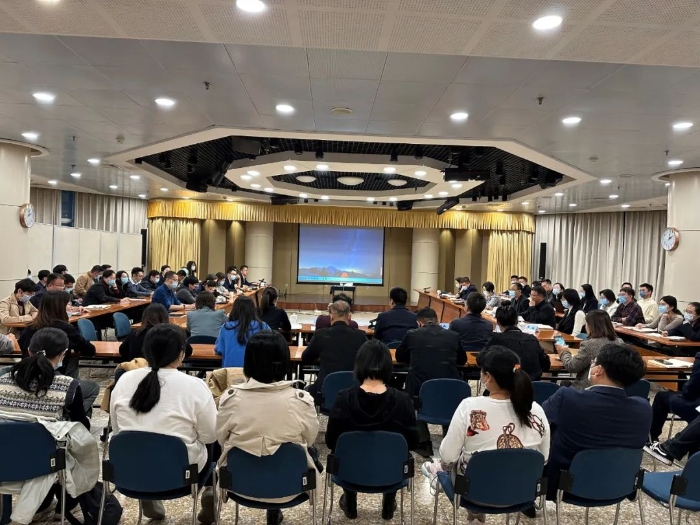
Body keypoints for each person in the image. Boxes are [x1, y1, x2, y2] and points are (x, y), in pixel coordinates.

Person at [422, 346, 550, 525]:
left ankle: (441, 479)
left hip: (474, 493)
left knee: (448, 463)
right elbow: (544, 458)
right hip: (522, 493)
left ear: (488, 377)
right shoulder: (536, 410)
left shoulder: (470, 407)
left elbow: (448, 456)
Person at [110, 324, 217, 522]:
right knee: (213, 443)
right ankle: (210, 487)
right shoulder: (195, 385)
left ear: (146, 351)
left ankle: (148, 496)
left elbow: (116, 429)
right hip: (180, 474)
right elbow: (210, 435)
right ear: (181, 353)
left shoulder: (124, 380)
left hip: (129, 468)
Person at [216, 331, 320, 525]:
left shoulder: (230, 399)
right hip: (291, 486)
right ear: (284, 363)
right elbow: (310, 438)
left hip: (239, 485)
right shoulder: (301, 400)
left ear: (248, 363)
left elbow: (221, 438)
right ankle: (274, 508)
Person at [542, 344, 651, 501]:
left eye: (593, 361)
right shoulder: (643, 408)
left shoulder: (568, 397)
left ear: (599, 370)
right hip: (619, 486)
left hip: (564, 486)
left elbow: (538, 422)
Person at [326, 340, 419, 521]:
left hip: (348, 472)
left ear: (359, 365)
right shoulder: (403, 401)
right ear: (388, 366)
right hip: (392, 473)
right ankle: (389, 502)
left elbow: (331, 441)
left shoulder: (343, 398)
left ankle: (350, 499)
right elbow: (413, 442)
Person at [396, 307, 465, 457]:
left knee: (411, 394)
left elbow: (399, 357)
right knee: (447, 392)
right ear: (438, 321)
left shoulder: (412, 335)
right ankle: (449, 438)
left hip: (420, 391)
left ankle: (423, 441)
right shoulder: (453, 336)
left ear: (419, 323)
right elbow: (462, 360)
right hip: (450, 390)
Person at [0, 328, 90, 429]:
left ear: (29, 351)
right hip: (49, 438)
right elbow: (81, 426)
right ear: (63, 354)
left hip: (5, 438)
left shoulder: (3, 380)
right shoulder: (68, 386)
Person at [18, 291, 96, 374]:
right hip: (54, 373)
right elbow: (89, 350)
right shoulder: (66, 329)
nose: (71, 308)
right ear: (60, 307)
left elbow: (22, 345)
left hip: (27, 372)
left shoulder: (29, 327)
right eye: (68, 304)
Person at [302, 300, 367, 396]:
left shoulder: (320, 335)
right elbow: (368, 360)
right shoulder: (360, 336)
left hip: (325, 390)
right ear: (349, 317)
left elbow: (305, 358)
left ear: (331, 317)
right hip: (353, 391)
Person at [555, 310, 623, 389]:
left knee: (564, 384)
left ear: (590, 326)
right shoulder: (620, 342)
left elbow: (572, 366)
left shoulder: (589, 345)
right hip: (612, 388)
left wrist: (563, 351)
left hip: (587, 388)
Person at [484, 306, 550, 380]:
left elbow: (482, 359)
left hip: (506, 384)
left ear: (498, 322)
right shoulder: (532, 339)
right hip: (531, 384)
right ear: (517, 320)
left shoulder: (495, 339)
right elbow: (546, 364)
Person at [649, 350, 700, 442]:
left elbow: (690, 390)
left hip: (696, 406)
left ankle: (650, 438)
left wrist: (684, 390)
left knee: (661, 397)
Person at [119, 303, 190, 361]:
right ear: (166, 317)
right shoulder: (173, 333)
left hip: (138, 371)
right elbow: (188, 351)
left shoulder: (135, 333)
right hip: (164, 371)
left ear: (144, 317)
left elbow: (123, 351)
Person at [215, 296, 269, 367]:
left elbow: (218, 349)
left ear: (234, 310)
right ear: (253, 310)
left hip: (231, 371)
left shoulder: (226, 327)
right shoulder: (263, 326)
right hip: (256, 370)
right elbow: (271, 348)